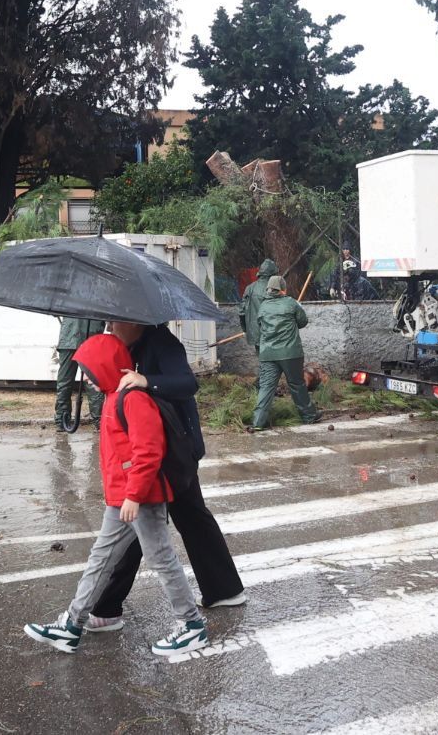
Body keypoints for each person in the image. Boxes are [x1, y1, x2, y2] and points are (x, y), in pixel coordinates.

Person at [24, 333, 208, 656]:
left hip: (141, 499)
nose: (89, 379)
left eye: (91, 372)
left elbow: (148, 452)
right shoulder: (113, 396)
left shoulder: (132, 399)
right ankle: (72, 624)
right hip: (123, 500)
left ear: (106, 369)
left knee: (160, 558)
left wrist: (134, 495)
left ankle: (192, 625)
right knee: (101, 558)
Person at [85, 321, 246, 628]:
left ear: (134, 320)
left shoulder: (162, 342)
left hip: (173, 451)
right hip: (154, 450)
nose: (109, 327)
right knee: (184, 518)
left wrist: (146, 379)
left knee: (142, 522)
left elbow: (187, 384)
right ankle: (225, 589)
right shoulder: (127, 345)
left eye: (113, 322)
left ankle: (106, 609)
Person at [251, 275, 321, 430]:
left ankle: (257, 422)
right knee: (297, 384)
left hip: (268, 354)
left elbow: (259, 325)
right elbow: (303, 322)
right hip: (290, 353)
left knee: (266, 387)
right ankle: (309, 416)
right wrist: (298, 307)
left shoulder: (263, 306)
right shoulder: (291, 303)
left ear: (269, 289)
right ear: (283, 289)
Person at [55, 317, 103, 431]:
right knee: (92, 382)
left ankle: (62, 420)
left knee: (66, 382)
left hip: (70, 336)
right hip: (86, 336)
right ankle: (99, 420)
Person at [239, 258, 278, 349]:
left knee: (263, 361)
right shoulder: (276, 289)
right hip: (275, 334)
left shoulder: (249, 288)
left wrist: (246, 329)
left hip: (256, 334)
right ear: (273, 274)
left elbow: (242, 312)